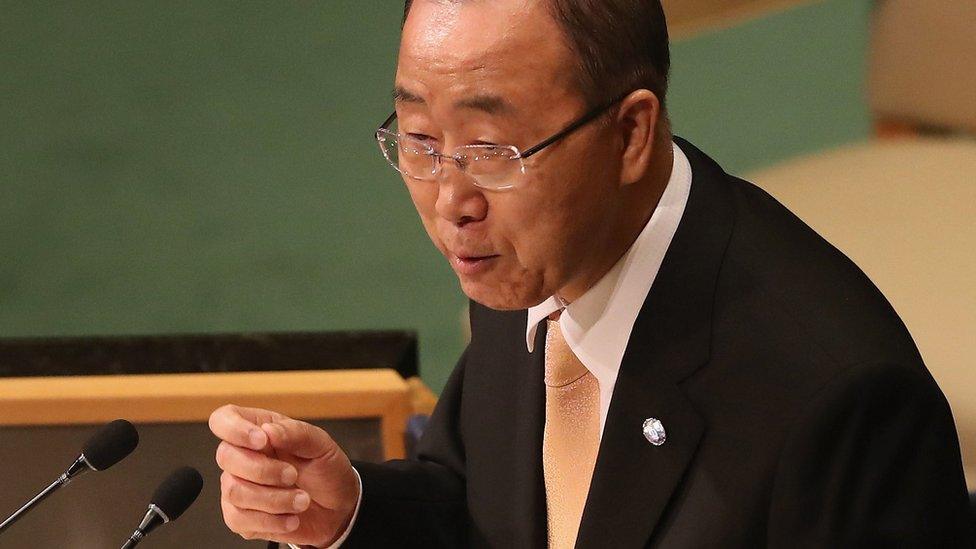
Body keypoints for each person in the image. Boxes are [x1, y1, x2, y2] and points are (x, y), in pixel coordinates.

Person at [208, 1, 973, 547]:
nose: (452, 201)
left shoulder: (838, 405)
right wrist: (353, 512)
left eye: (490, 147)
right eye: (418, 139)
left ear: (632, 132)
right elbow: (489, 507)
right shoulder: (522, 255)